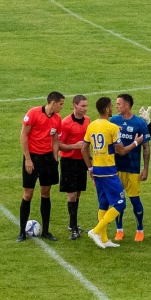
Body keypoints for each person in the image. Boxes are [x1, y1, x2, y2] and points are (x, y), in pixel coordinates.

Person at [83, 103, 133, 249]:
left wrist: (90, 167)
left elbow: (84, 148)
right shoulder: (112, 127)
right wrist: (136, 142)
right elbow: (121, 151)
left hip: (97, 169)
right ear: (106, 109)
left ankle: (104, 239)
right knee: (120, 204)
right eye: (111, 106)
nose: (112, 109)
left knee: (103, 203)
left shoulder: (92, 125)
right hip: (109, 171)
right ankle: (96, 231)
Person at [19, 92, 64, 240]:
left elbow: (55, 139)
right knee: (28, 194)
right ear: (53, 103)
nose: (62, 107)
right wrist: (28, 159)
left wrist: (55, 157)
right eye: (61, 104)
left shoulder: (57, 119)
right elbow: (23, 136)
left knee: (46, 193)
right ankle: (22, 232)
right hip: (32, 158)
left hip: (47, 160)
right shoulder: (34, 113)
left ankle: (45, 231)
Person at [112, 93, 151, 241]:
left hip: (133, 168)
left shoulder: (139, 123)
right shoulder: (114, 121)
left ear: (127, 105)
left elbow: (146, 147)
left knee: (135, 200)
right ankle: (119, 230)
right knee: (118, 200)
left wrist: (146, 168)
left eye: (119, 104)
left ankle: (140, 230)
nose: (117, 106)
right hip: (116, 168)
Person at [55, 95, 93, 240]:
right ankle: (74, 227)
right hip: (68, 161)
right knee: (71, 195)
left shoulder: (88, 120)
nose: (85, 109)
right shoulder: (65, 123)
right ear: (75, 106)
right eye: (82, 106)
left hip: (82, 161)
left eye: (86, 106)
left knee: (78, 193)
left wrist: (89, 162)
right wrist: (74, 146)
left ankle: (73, 224)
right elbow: (59, 144)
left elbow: (87, 143)